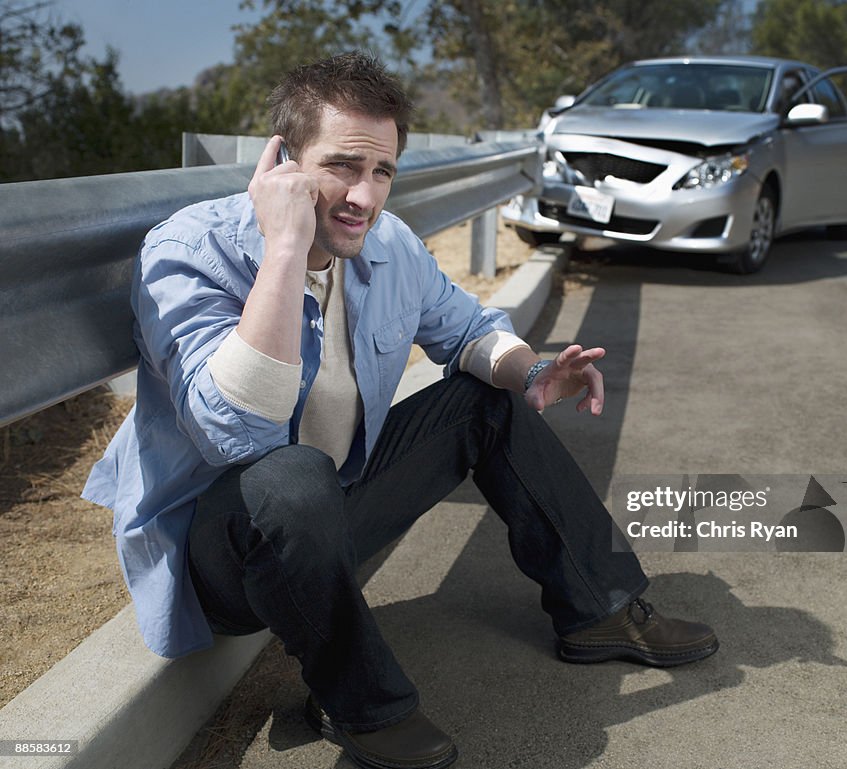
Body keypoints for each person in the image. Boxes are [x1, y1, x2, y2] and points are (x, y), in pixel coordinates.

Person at [83, 52, 718, 769]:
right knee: (289, 475)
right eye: (342, 166)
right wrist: (286, 246)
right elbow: (239, 433)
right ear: (285, 164)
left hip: (333, 507)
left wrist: (535, 370)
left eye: (381, 172)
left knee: (486, 403)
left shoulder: (388, 248)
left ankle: (601, 606)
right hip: (229, 550)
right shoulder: (187, 252)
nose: (364, 195)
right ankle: (358, 703)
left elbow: (471, 332)